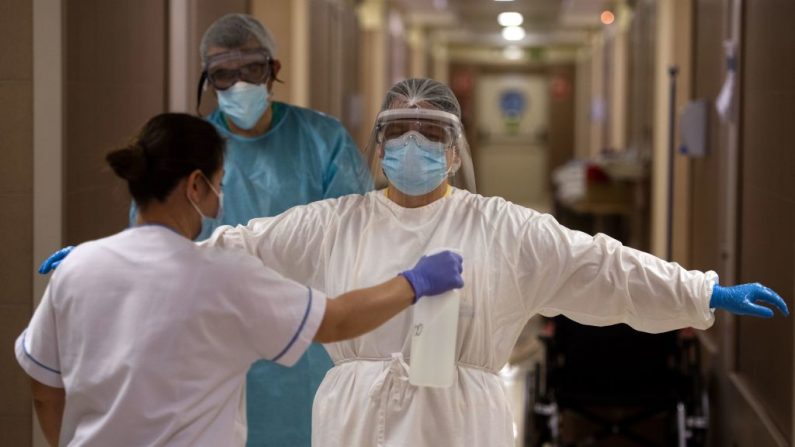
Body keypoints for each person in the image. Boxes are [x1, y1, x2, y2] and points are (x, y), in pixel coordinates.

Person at [39, 80, 789, 446]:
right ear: (377, 146)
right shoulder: (335, 223)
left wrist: (704, 289)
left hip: (462, 417)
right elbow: (237, 245)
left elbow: (601, 265)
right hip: (356, 417)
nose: (412, 145)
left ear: (456, 146)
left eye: (428, 132)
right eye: (398, 130)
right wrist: (134, 256)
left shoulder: (501, 226)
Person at [18, 113, 464, 447]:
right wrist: (414, 282)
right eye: (218, 182)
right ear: (196, 186)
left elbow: (43, 389)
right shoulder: (225, 278)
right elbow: (336, 321)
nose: (220, 196)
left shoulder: (76, 269)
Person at [184, 13, 373, 447]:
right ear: (208, 80)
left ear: (274, 70)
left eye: (250, 69)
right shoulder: (189, 151)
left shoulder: (323, 141)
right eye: (222, 75)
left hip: (306, 336)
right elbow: (161, 245)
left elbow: (356, 239)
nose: (238, 85)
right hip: (215, 341)